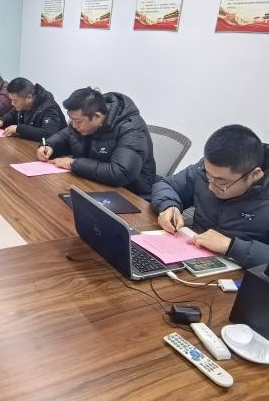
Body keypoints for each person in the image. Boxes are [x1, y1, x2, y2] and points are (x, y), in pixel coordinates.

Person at [152, 125, 269, 268]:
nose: (210, 187)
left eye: (221, 182)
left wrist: (230, 246)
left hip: (242, 272)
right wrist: (168, 205)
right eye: (208, 176)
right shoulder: (207, 169)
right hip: (191, 254)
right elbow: (168, 185)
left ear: (255, 174)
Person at [37, 87, 156, 196]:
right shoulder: (86, 119)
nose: (74, 125)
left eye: (78, 122)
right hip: (94, 182)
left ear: (97, 116)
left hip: (131, 193)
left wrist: (73, 164)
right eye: (72, 120)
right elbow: (67, 135)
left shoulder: (131, 129)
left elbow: (120, 173)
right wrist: (49, 146)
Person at [0, 77, 66, 141]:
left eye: (15, 100)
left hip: (52, 151)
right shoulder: (24, 103)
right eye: (11, 100)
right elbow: (12, 114)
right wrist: (2, 121)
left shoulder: (50, 107)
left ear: (29, 97)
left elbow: (48, 134)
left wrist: (18, 129)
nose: (12, 103)